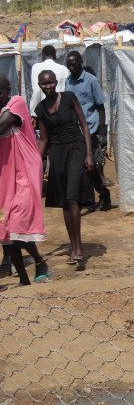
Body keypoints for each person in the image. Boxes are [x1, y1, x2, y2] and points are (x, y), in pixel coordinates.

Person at [35, 70, 95, 268]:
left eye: (50, 82)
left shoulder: (69, 97)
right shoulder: (41, 108)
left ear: (55, 82)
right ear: (39, 85)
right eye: (44, 84)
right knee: (64, 202)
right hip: (57, 153)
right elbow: (43, 140)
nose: (48, 86)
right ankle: (73, 246)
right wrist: (35, 162)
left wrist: (89, 154)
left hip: (76, 148)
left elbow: (84, 125)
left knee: (72, 196)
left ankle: (78, 248)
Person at [0, 74, 50, 288]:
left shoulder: (16, 104)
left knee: (16, 222)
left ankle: (40, 262)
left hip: (25, 172)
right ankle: (24, 278)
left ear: (7, 89)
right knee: (4, 227)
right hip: (5, 173)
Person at [65, 51, 111, 211]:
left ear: (80, 62)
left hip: (91, 130)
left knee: (90, 167)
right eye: (69, 64)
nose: (72, 67)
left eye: (74, 63)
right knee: (77, 167)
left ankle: (104, 194)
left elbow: (100, 107)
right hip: (74, 131)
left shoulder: (91, 80)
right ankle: (84, 198)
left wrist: (102, 131)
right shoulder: (68, 81)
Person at [29, 45, 69, 118]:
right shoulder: (64, 69)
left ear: (43, 55)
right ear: (55, 55)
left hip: (45, 110)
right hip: (62, 109)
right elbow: (66, 91)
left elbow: (37, 91)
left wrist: (33, 113)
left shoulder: (36, 67)